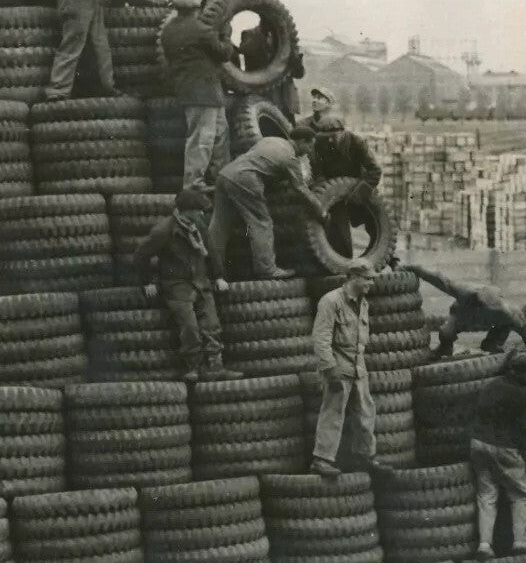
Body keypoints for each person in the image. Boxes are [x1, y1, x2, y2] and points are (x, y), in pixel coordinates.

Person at [132, 189, 240, 383]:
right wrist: (147, 281)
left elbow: (212, 252)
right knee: (189, 328)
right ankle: (194, 367)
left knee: (212, 325)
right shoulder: (164, 230)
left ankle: (216, 367)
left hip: (201, 283)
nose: (202, 214)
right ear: (186, 210)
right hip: (177, 286)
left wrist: (219, 276)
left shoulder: (198, 226)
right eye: (198, 210)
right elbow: (141, 255)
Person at [207, 128, 327, 281]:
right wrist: (321, 211)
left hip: (225, 174)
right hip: (246, 178)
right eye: (310, 146)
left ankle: (215, 272)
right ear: (302, 141)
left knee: (219, 226)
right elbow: (301, 189)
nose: (309, 151)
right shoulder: (291, 159)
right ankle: (267, 270)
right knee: (261, 223)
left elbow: (262, 161)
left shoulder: (270, 139)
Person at [469, 348, 526, 558]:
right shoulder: (520, 394)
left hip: (477, 443)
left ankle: (485, 545)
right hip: (503, 447)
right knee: (522, 495)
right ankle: (520, 539)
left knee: (487, 496)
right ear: (525, 373)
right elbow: (522, 429)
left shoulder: (490, 385)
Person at [310, 259, 382, 478]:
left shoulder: (363, 303)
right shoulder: (331, 301)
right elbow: (320, 338)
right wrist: (329, 369)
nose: (371, 283)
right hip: (337, 368)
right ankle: (321, 459)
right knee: (333, 413)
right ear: (353, 278)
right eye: (367, 278)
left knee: (366, 413)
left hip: (358, 368)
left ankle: (366, 457)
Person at [159, 0, 237, 185]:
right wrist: (226, 35)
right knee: (202, 140)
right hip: (205, 93)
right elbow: (224, 54)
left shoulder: (169, 30)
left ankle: (222, 178)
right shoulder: (201, 30)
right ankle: (193, 183)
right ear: (197, 7)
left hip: (192, 91)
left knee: (219, 134)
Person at [405, 263, 526, 359]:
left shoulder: (508, 314)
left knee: (490, 347)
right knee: (446, 333)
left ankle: (492, 345)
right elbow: (440, 280)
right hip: (462, 314)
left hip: (496, 323)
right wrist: (415, 269)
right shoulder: (467, 294)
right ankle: (445, 347)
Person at [307, 111, 381, 256]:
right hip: (335, 192)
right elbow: (317, 172)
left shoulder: (356, 143)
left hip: (359, 186)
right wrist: (325, 191)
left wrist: (360, 193)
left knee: (377, 223)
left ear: (342, 133)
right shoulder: (319, 144)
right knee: (339, 232)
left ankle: (389, 260)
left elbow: (375, 171)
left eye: (333, 137)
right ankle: (344, 264)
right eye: (326, 137)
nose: (329, 141)